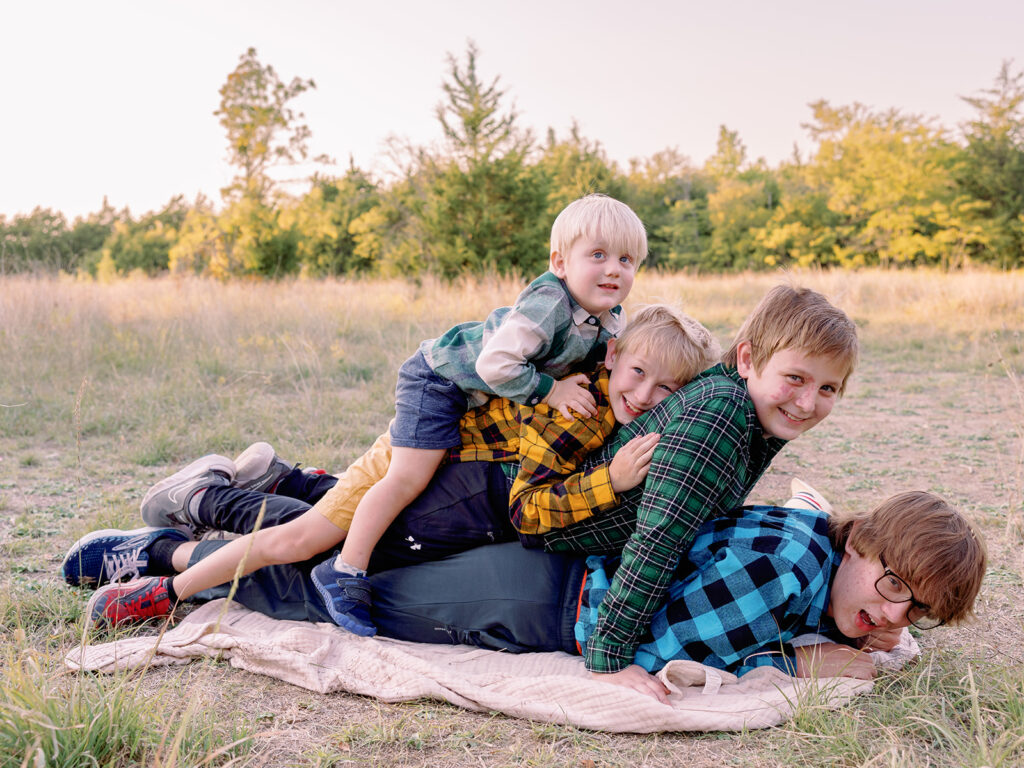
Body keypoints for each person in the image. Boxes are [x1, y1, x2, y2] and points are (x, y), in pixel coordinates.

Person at [67, 283, 858, 699]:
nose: (808, 402)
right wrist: (612, 654)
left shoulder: (719, 409)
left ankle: (228, 493)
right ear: (750, 359)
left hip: (482, 493)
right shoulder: (703, 419)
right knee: (328, 546)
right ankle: (173, 551)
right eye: (797, 380)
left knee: (337, 520)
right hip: (477, 491)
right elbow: (628, 532)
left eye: (828, 391)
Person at [65, 303, 719, 614]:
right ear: (613, 359)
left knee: (338, 520)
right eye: (638, 375)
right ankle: (172, 558)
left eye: (667, 390)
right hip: (425, 458)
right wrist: (611, 481)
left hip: (446, 469)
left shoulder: (615, 389)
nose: (647, 395)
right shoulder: (574, 401)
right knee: (308, 543)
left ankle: (250, 486)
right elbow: (533, 502)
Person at [80, 486, 988, 703]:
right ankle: (163, 555)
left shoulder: (809, 553)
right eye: (892, 584)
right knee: (343, 596)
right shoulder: (788, 570)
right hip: (543, 599)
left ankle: (215, 501)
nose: (892, 617)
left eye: (916, 613)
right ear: (861, 541)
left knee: (381, 548)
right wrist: (800, 658)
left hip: (548, 570)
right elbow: (672, 642)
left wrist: (852, 633)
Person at [297, 193, 647, 633]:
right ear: (560, 262)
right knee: (406, 478)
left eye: (627, 259)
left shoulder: (610, 316)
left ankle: (300, 484)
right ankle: (345, 570)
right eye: (598, 254)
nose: (614, 268)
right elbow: (493, 365)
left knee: (423, 477)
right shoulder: (548, 304)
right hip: (441, 378)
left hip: (478, 400)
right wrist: (552, 390)